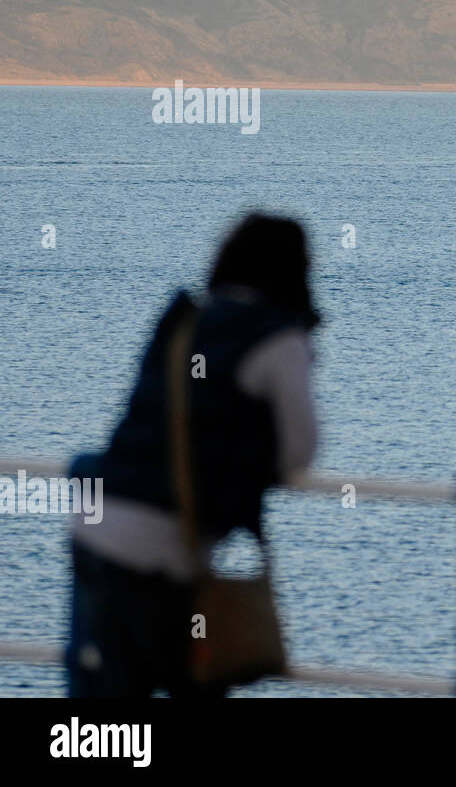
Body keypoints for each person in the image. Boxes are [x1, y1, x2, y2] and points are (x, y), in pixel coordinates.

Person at [66, 213, 320, 697]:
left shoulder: (184, 319)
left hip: (94, 525)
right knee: (203, 679)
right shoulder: (279, 339)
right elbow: (300, 452)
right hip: (158, 548)